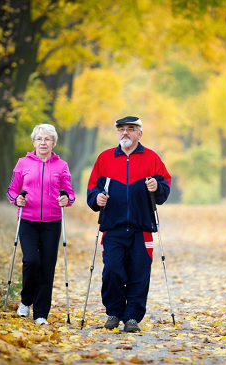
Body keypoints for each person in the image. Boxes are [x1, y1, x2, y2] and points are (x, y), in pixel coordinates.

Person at [87, 116, 171, 332]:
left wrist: (156, 186)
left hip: (141, 228)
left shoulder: (152, 158)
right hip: (113, 227)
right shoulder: (105, 158)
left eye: (131, 129)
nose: (125, 133)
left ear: (139, 133)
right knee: (112, 270)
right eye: (122, 129)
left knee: (139, 273)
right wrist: (97, 198)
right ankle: (114, 313)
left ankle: (132, 317)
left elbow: (165, 187)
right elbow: (92, 188)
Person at [6, 124, 75, 325]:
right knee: (31, 261)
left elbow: (69, 193)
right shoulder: (22, 163)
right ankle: (26, 301)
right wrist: (16, 200)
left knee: (47, 266)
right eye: (39, 139)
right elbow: (12, 190)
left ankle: (41, 313)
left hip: (52, 222)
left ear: (53, 142)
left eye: (47, 139)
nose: (43, 143)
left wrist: (66, 200)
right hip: (27, 220)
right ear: (34, 141)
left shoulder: (61, 166)